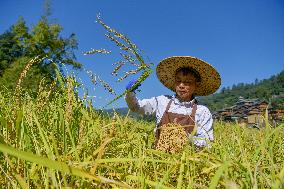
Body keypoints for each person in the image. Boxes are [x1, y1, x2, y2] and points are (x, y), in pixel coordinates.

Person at [125, 56, 221, 152]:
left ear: (197, 85)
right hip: (158, 158)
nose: (181, 85)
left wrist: (184, 137)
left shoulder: (202, 111)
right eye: (178, 81)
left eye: (187, 82)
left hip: (187, 162)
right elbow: (137, 107)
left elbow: (207, 143)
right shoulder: (162, 101)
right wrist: (130, 93)